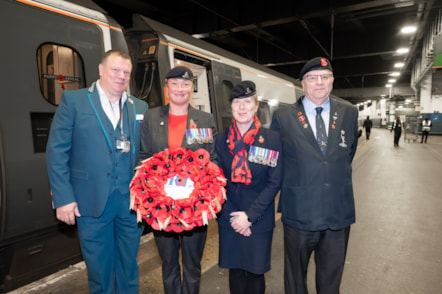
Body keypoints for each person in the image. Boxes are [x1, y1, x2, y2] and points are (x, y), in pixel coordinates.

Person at [46, 49, 149, 293]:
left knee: (128, 268)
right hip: (90, 202)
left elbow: (148, 154)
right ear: (101, 70)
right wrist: (63, 198)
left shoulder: (140, 107)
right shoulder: (75, 101)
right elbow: (57, 152)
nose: (121, 76)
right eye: (115, 70)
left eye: (126, 72)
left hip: (131, 205)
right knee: (99, 272)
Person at [270, 57, 359, 294]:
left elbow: (346, 153)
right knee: (295, 280)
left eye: (325, 77)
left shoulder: (349, 113)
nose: (319, 82)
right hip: (299, 213)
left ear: (332, 81)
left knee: (331, 282)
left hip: (337, 214)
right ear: (302, 83)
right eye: (312, 78)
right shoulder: (283, 117)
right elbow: (275, 163)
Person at [138, 66, 217, 294]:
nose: (180, 89)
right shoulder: (152, 117)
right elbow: (143, 157)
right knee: (169, 264)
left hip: (194, 206)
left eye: (185, 84)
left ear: (191, 88)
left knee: (192, 265)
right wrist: (149, 192)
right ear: (167, 88)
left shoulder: (204, 119)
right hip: (161, 206)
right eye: (175, 84)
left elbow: (211, 160)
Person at [215, 81, 282, 294]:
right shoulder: (220, 140)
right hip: (229, 218)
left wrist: (249, 216)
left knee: (255, 273)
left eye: (247, 102)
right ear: (231, 107)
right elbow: (215, 181)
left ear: (255, 106)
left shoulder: (271, 139)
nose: (242, 107)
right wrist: (232, 217)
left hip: (258, 220)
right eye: (237, 102)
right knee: (235, 272)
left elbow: (274, 182)